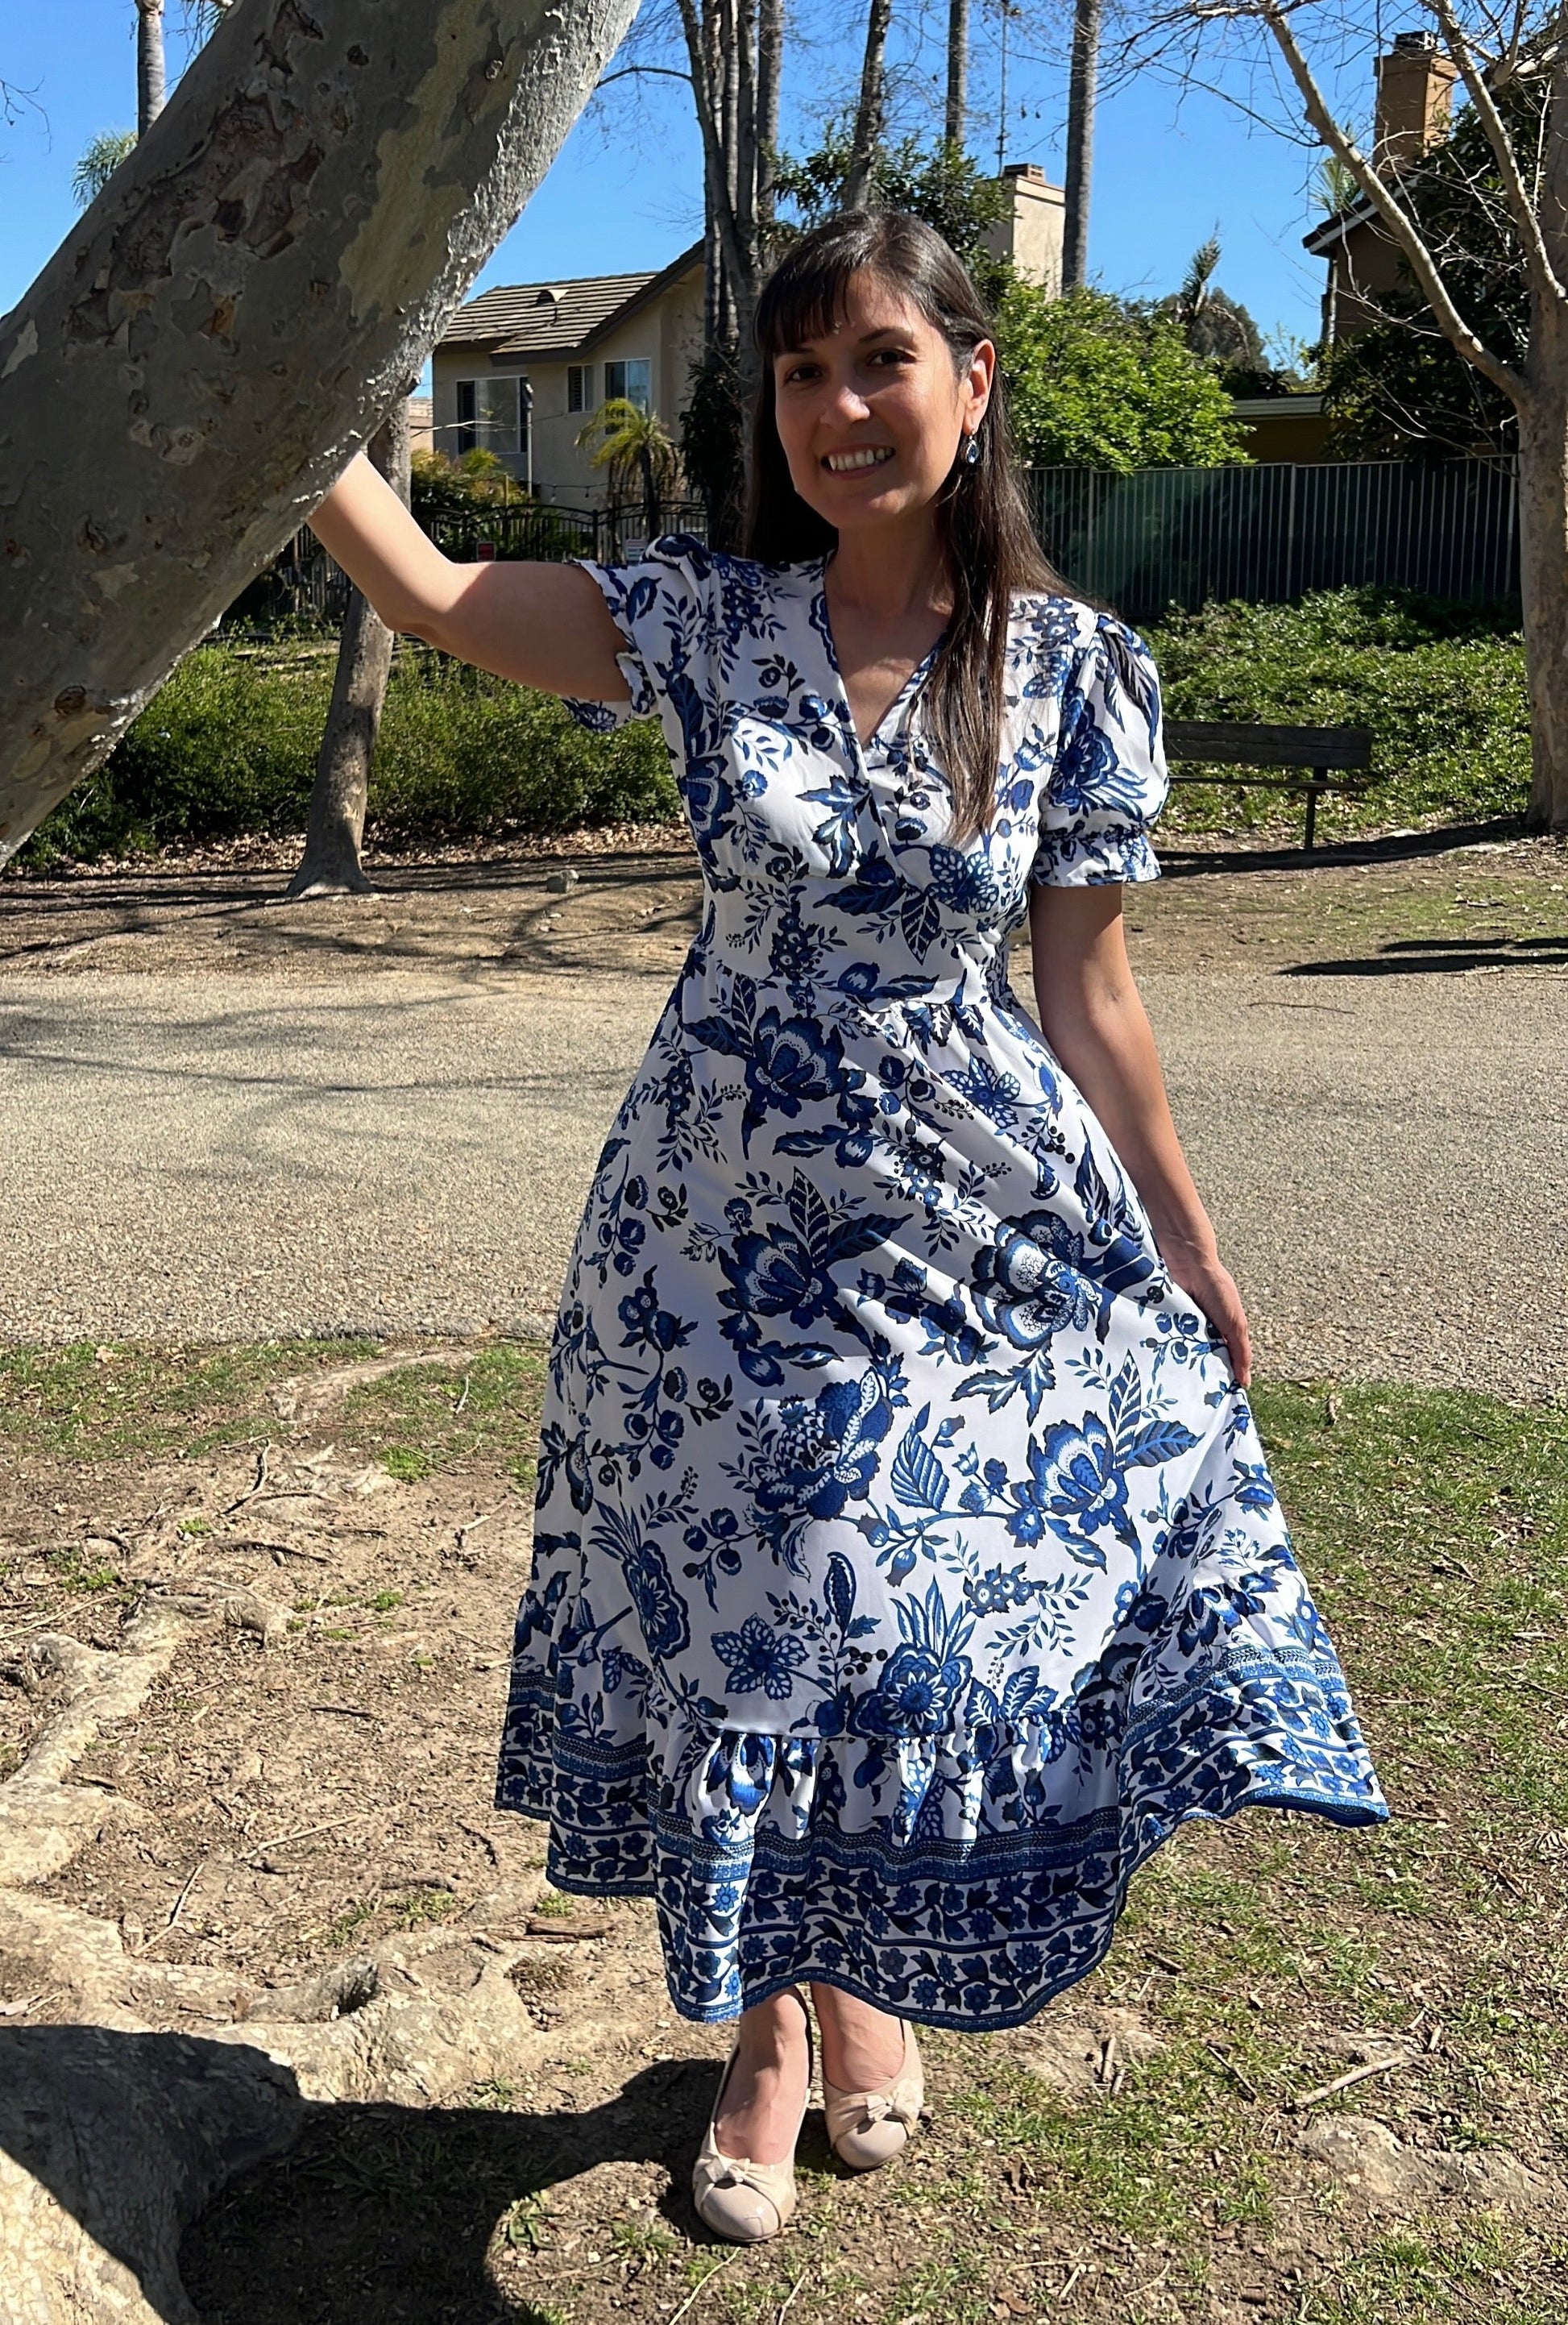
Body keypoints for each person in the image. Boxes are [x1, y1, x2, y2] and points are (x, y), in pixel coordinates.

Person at [307, 209, 1388, 2246]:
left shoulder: (1073, 672)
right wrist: (290, 426)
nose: (838, 409)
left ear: (973, 385)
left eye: (879, 361)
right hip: (710, 1223)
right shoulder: (705, 622)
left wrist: (1184, 1228)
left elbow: (1091, 995)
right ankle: (774, 2026)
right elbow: (444, 592)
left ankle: (860, 1963)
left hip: (965, 1218)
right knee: (759, 1616)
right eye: (800, 375)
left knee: (896, 1621)